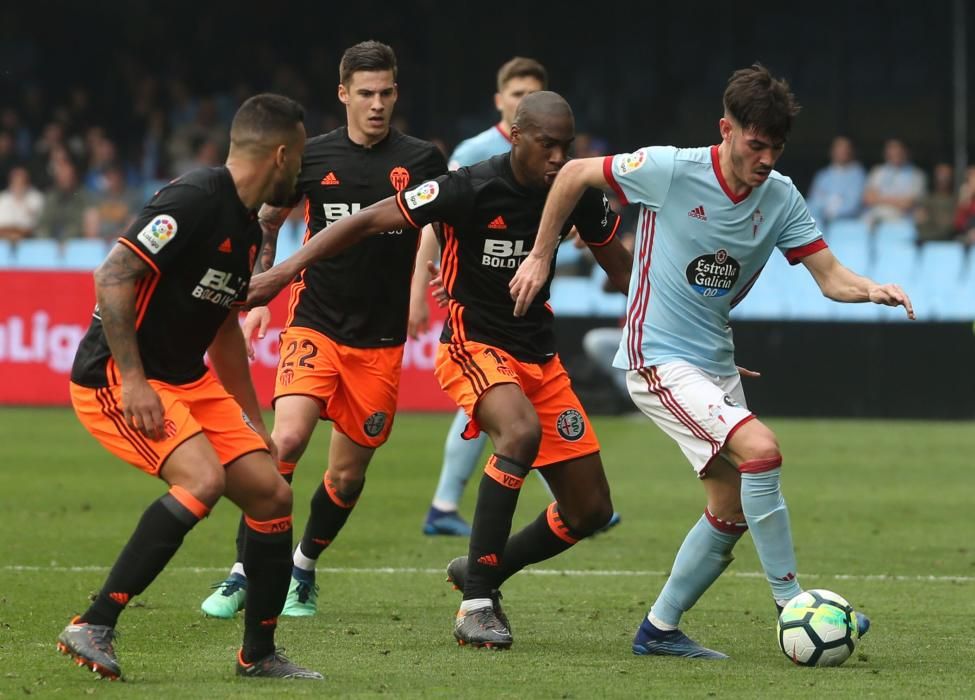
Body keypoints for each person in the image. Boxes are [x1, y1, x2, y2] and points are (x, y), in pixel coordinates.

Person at [511, 64, 914, 659]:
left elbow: (830, 278)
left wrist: (872, 288)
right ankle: (792, 605)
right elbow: (572, 173)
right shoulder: (671, 170)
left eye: (776, 148)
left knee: (731, 507)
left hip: (714, 364)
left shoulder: (780, 198)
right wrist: (541, 256)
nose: (767, 159)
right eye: (756, 144)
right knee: (763, 450)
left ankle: (659, 631)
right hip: (657, 357)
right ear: (726, 129)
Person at [246, 91, 633, 650]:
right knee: (518, 433)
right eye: (546, 145)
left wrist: (681, 332)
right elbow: (364, 222)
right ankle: (477, 602)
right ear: (517, 136)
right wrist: (281, 274)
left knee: (590, 509)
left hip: (540, 359)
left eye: (565, 146)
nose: (557, 157)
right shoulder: (468, 186)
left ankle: (482, 569)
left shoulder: (574, 192)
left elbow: (622, 269)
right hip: (472, 345)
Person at [58, 94, 321, 680]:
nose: (301, 173)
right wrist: (132, 380)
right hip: (117, 377)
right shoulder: (195, 198)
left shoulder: (248, 231)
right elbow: (113, 274)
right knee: (203, 479)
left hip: (186, 379)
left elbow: (224, 329)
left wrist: (252, 418)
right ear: (281, 154)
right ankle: (93, 623)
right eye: (300, 158)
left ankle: (258, 655)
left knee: (272, 494)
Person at [199, 41, 446, 620]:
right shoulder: (313, 156)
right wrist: (261, 290)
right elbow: (269, 220)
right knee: (285, 441)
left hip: (380, 341)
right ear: (343, 94)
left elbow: (443, 226)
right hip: (314, 323)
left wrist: (426, 286)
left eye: (386, 92)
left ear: (396, 92)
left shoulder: (422, 160)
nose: (377, 104)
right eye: (365, 93)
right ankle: (244, 569)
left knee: (346, 473)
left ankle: (303, 566)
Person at [419, 56, 547, 537]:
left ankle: (575, 501)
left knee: (513, 404)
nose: (522, 103)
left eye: (531, 96)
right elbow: (437, 218)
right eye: (515, 95)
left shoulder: (550, 157)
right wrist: (420, 288)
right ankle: (446, 504)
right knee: (496, 405)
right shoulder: (473, 151)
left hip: (527, 305)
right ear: (499, 100)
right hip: (478, 301)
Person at [862, 138, 926, 228]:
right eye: (892, 150)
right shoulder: (877, 171)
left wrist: (880, 198)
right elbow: (868, 199)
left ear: (906, 152)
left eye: (899, 151)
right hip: (875, 219)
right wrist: (897, 200)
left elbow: (908, 203)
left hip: (903, 219)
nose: (895, 154)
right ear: (886, 153)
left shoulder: (917, 175)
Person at [805, 136, 865, 228]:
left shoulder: (858, 174)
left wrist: (830, 208)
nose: (842, 151)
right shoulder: (823, 175)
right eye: (839, 148)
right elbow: (813, 202)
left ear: (851, 151)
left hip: (848, 225)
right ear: (832, 151)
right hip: (820, 224)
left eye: (846, 148)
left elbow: (853, 205)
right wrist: (832, 204)